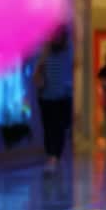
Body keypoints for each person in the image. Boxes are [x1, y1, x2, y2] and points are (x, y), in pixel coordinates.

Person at [34, 26, 73, 174]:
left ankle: (55, 156)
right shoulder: (44, 49)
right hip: (46, 95)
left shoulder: (68, 49)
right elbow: (38, 68)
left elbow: (71, 66)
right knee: (49, 128)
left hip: (62, 96)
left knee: (59, 128)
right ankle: (52, 156)